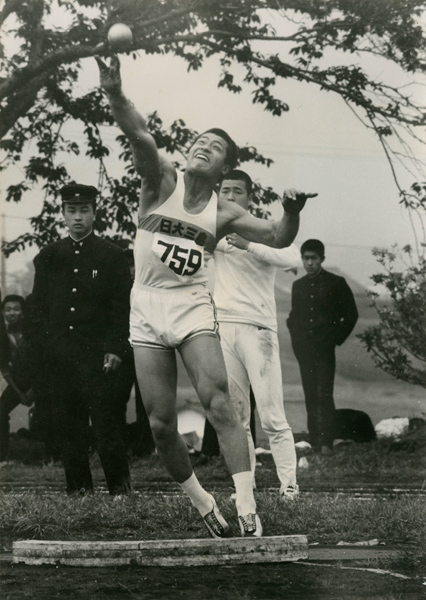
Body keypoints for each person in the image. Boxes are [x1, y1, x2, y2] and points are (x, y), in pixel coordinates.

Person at [96, 54, 316, 537]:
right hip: (147, 306)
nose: (203, 147)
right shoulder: (161, 181)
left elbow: (279, 236)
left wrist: (293, 209)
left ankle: (246, 505)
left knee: (220, 404)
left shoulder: (224, 214)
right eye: (200, 140)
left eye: (215, 147)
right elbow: (140, 135)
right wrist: (113, 92)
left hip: (193, 305)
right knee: (159, 424)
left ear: (223, 168)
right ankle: (203, 503)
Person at [28, 184, 132, 495]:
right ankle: (79, 493)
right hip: (60, 358)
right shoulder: (48, 256)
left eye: (84, 210)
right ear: (62, 213)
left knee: (107, 427)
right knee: (69, 429)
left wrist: (114, 348)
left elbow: (120, 307)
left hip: (98, 358)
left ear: (94, 213)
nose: (77, 217)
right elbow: (37, 308)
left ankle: (120, 491)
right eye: (71, 211)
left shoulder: (111, 256)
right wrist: (48, 345)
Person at [212, 170, 301, 500]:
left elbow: (290, 254)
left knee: (272, 415)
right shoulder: (215, 233)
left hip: (259, 331)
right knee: (237, 419)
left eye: (238, 191)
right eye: (225, 191)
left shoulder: (264, 231)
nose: (231, 197)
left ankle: (289, 487)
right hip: (224, 330)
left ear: (249, 197)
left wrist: (249, 245)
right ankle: (244, 489)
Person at [287, 239, 358, 454]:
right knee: (310, 394)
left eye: (313, 258)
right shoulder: (297, 286)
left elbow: (351, 314)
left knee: (324, 394)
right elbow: (293, 318)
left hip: (325, 349)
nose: (309, 263)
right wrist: (297, 341)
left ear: (322, 259)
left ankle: (327, 442)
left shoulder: (336, 283)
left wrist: (335, 338)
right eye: (306, 258)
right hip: (304, 351)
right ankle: (315, 441)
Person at [0, 295, 31, 463]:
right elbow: (4, 368)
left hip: (40, 382)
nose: (12, 313)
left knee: (52, 413)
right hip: (18, 383)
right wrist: (19, 393)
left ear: (23, 312)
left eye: (16, 309)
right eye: (8, 310)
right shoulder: (3, 335)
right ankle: (2, 458)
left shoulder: (32, 333)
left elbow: (43, 366)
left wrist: (33, 392)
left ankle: (53, 456)